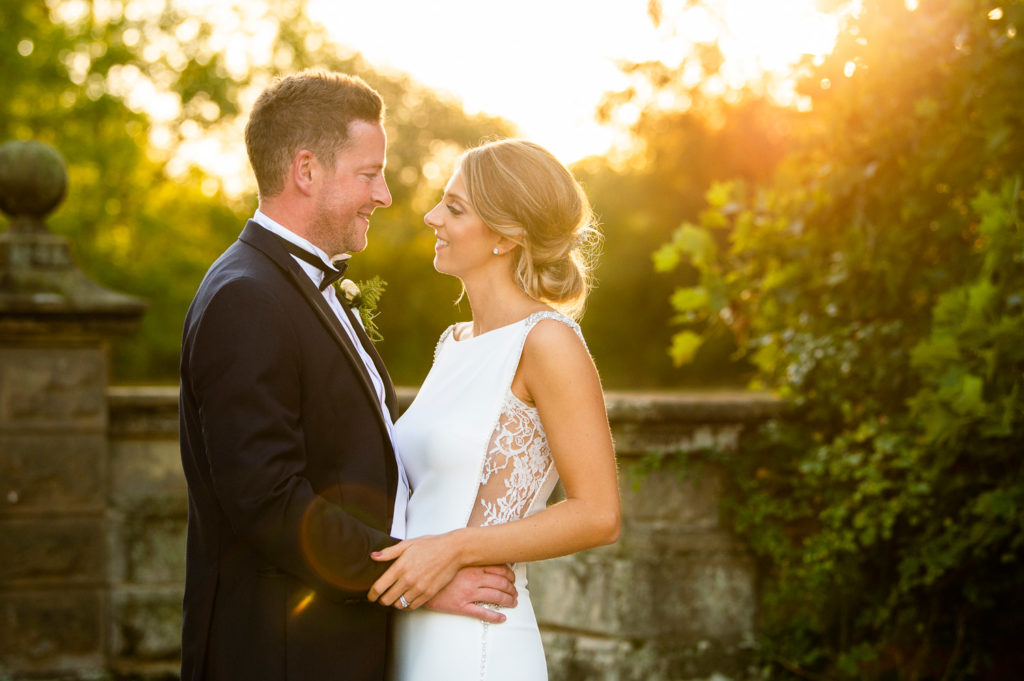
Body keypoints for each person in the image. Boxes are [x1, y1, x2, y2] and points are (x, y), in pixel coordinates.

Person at [178, 71, 516, 681]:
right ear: (306, 171)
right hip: (284, 654)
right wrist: (416, 579)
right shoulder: (246, 297)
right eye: (369, 174)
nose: (383, 195)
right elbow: (267, 501)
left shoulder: (295, 285)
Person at [367, 139, 621, 680]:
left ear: (507, 236)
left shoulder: (548, 341)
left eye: (455, 208)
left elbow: (598, 514)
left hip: (478, 642)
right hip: (415, 626)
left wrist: (455, 549)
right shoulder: (453, 343)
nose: (432, 217)